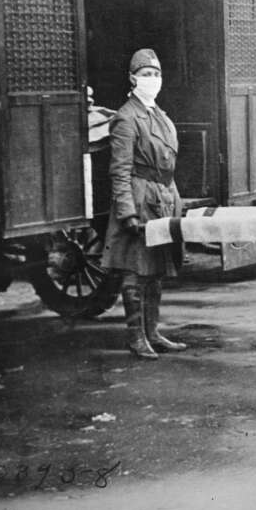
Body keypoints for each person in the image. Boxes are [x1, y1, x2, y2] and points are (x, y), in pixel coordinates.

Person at [102, 48, 186, 359]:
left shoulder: (159, 115)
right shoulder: (127, 117)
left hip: (162, 198)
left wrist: (175, 201)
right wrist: (127, 212)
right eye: (146, 74)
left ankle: (152, 332)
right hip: (139, 199)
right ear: (133, 79)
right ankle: (136, 337)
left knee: (156, 270)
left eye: (156, 74)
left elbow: (167, 164)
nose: (152, 80)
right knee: (134, 272)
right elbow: (120, 170)